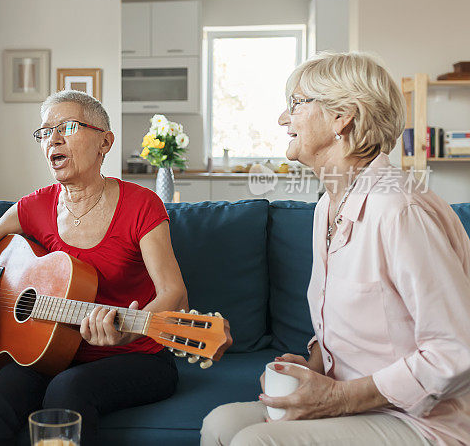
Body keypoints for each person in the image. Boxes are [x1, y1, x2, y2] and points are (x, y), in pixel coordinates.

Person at [201, 52, 470, 446]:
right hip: (360, 405)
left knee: (253, 442)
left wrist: (337, 397)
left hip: (424, 419)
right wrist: (314, 366)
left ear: (342, 116)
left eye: (295, 103)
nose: (282, 118)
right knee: (221, 425)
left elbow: (455, 349)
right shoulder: (330, 203)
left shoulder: (398, 210)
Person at [0, 90, 188, 445]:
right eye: (45, 132)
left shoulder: (142, 205)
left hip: (138, 356)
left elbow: (175, 294)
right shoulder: (34, 206)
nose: (53, 140)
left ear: (105, 142)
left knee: (68, 391)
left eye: (69, 127)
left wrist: (126, 332)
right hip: (54, 352)